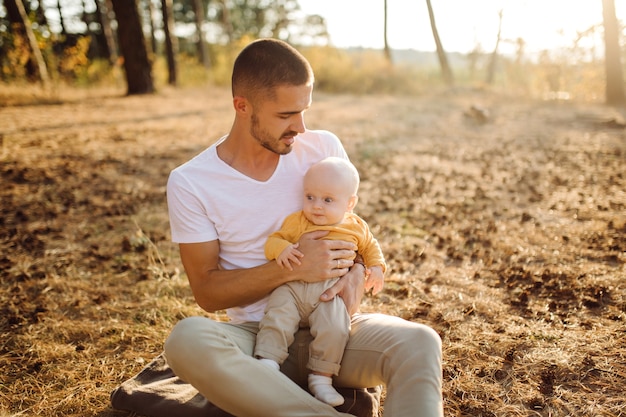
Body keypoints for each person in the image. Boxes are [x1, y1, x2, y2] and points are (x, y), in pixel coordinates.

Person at [164, 38, 443, 417]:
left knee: (420, 341)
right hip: (255, 340)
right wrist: (293, 267)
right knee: (186, 340)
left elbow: (355, 234)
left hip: (334, 330)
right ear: (242, 106)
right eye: (285, 115)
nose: (301, 127)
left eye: (304, 110)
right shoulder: (192, 181)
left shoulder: (323, 148)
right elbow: (207, 292)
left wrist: (358, 273)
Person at [256, 156, 386, 407]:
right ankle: (268, 362)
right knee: (277, 315)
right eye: (310, 197)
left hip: (329, 293)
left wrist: (377, 268)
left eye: (327, 200)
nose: (316, 206)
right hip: (293, 287)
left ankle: (321, 378)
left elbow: (371, 248)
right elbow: (274, 240)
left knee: (336, 328)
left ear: (350, 203)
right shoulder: (297, 221)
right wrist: (281, 249)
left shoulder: (357, 226)